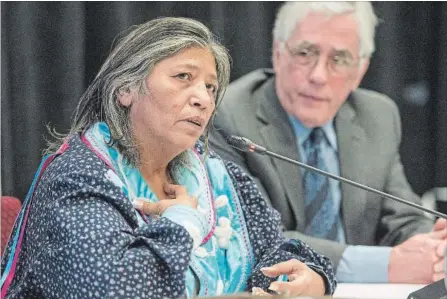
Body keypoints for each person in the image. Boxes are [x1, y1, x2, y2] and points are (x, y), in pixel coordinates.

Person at [0, 17, 336, 298]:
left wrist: (310, 280)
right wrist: (183, 223)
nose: (203, 99)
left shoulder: (220, 177)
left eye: (210, 88)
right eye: (183, 78)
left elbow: (276, 250)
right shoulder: (78, 179)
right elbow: (117, 289)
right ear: (125, 90)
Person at [209, 2, 446, 284]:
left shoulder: (377, 116)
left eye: (340, 59)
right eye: (305, 53)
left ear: (360, 70)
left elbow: (402, 218)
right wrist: (384, 264)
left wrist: (432, 248)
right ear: (277, 53)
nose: (318, 75)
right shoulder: (229, 116)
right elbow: (252, 236)